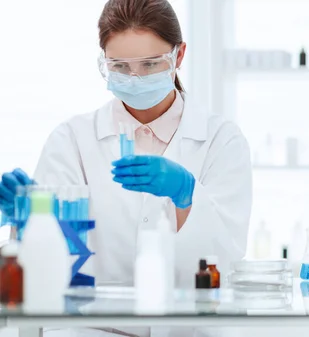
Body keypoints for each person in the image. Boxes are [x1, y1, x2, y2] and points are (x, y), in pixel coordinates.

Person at [0, 0, 251, 334]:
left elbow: (227, 256)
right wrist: (29, 216)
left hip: (189, 330)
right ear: (103, 60)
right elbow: (47, 267)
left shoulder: (222, 140)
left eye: (150, 64)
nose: (135, 78)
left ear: (179, 55)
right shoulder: (72, 141)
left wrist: (188, 196)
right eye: (119, 66)